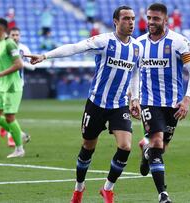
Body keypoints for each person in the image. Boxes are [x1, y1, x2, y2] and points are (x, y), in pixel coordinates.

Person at [24, 6, 142, 203]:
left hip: (119, 105)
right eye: (126, 19)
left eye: (132, 19)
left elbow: (136, 73)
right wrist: (45, 56)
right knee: (88, 147)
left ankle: (107, 189)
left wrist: (135, 98)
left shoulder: (137, 47)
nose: (131, 22)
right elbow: (74, 48)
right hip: (96, 103)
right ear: (115, 21)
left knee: (125, 147)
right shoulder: (104, 41)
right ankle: (79, 188)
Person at [136, 3, 190, 203]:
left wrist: (187, 100)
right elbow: (134, 72)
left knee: (160, 148)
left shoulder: (180, 42)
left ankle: (146, 151)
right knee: (157, 142)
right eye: (149, 18)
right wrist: (134, 98)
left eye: (156, 19)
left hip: (173, 104)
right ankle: (163, 194)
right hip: (149, 102)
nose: (151, 22)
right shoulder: (138, 44)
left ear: (166, 20)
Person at [0, 18, 27, 158]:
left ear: (1, 28)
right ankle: (19, 133)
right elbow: (2, 65)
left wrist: (0, 74)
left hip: (12, 86)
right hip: (2, 85)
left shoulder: (10, 44)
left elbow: (19, 64)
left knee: (10, 117)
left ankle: (19, 149)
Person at [0, 27, 34, 147]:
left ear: (20, 36)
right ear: (9, 35)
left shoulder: (23, 49)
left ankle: (12, 137)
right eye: (13, 35)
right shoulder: (3, 46)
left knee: (9, 113)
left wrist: (20, 62)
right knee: (1, 112)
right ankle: (19, 134)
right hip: (4, 82)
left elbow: (33, 66)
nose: (15, 37)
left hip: (17, 84)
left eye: (17, 35)